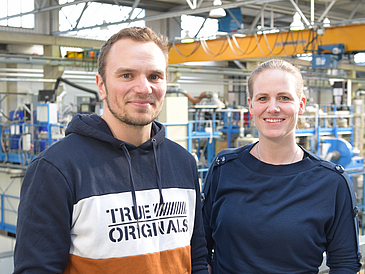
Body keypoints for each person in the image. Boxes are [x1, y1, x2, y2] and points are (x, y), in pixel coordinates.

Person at [14, 26, 208, 274]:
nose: (143, 88)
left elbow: (197, 257)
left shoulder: (183, 162)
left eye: (155, 76)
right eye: (127, 75)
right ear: (101, 85)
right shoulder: (57, 168)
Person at [202, 59, 362, 273]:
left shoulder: (332, 183)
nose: (273, 107)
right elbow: (201, 248)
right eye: (263, 98)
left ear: (301, 104)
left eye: (284, 97)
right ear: (251, 105)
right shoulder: (224, 167)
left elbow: (345, 264)